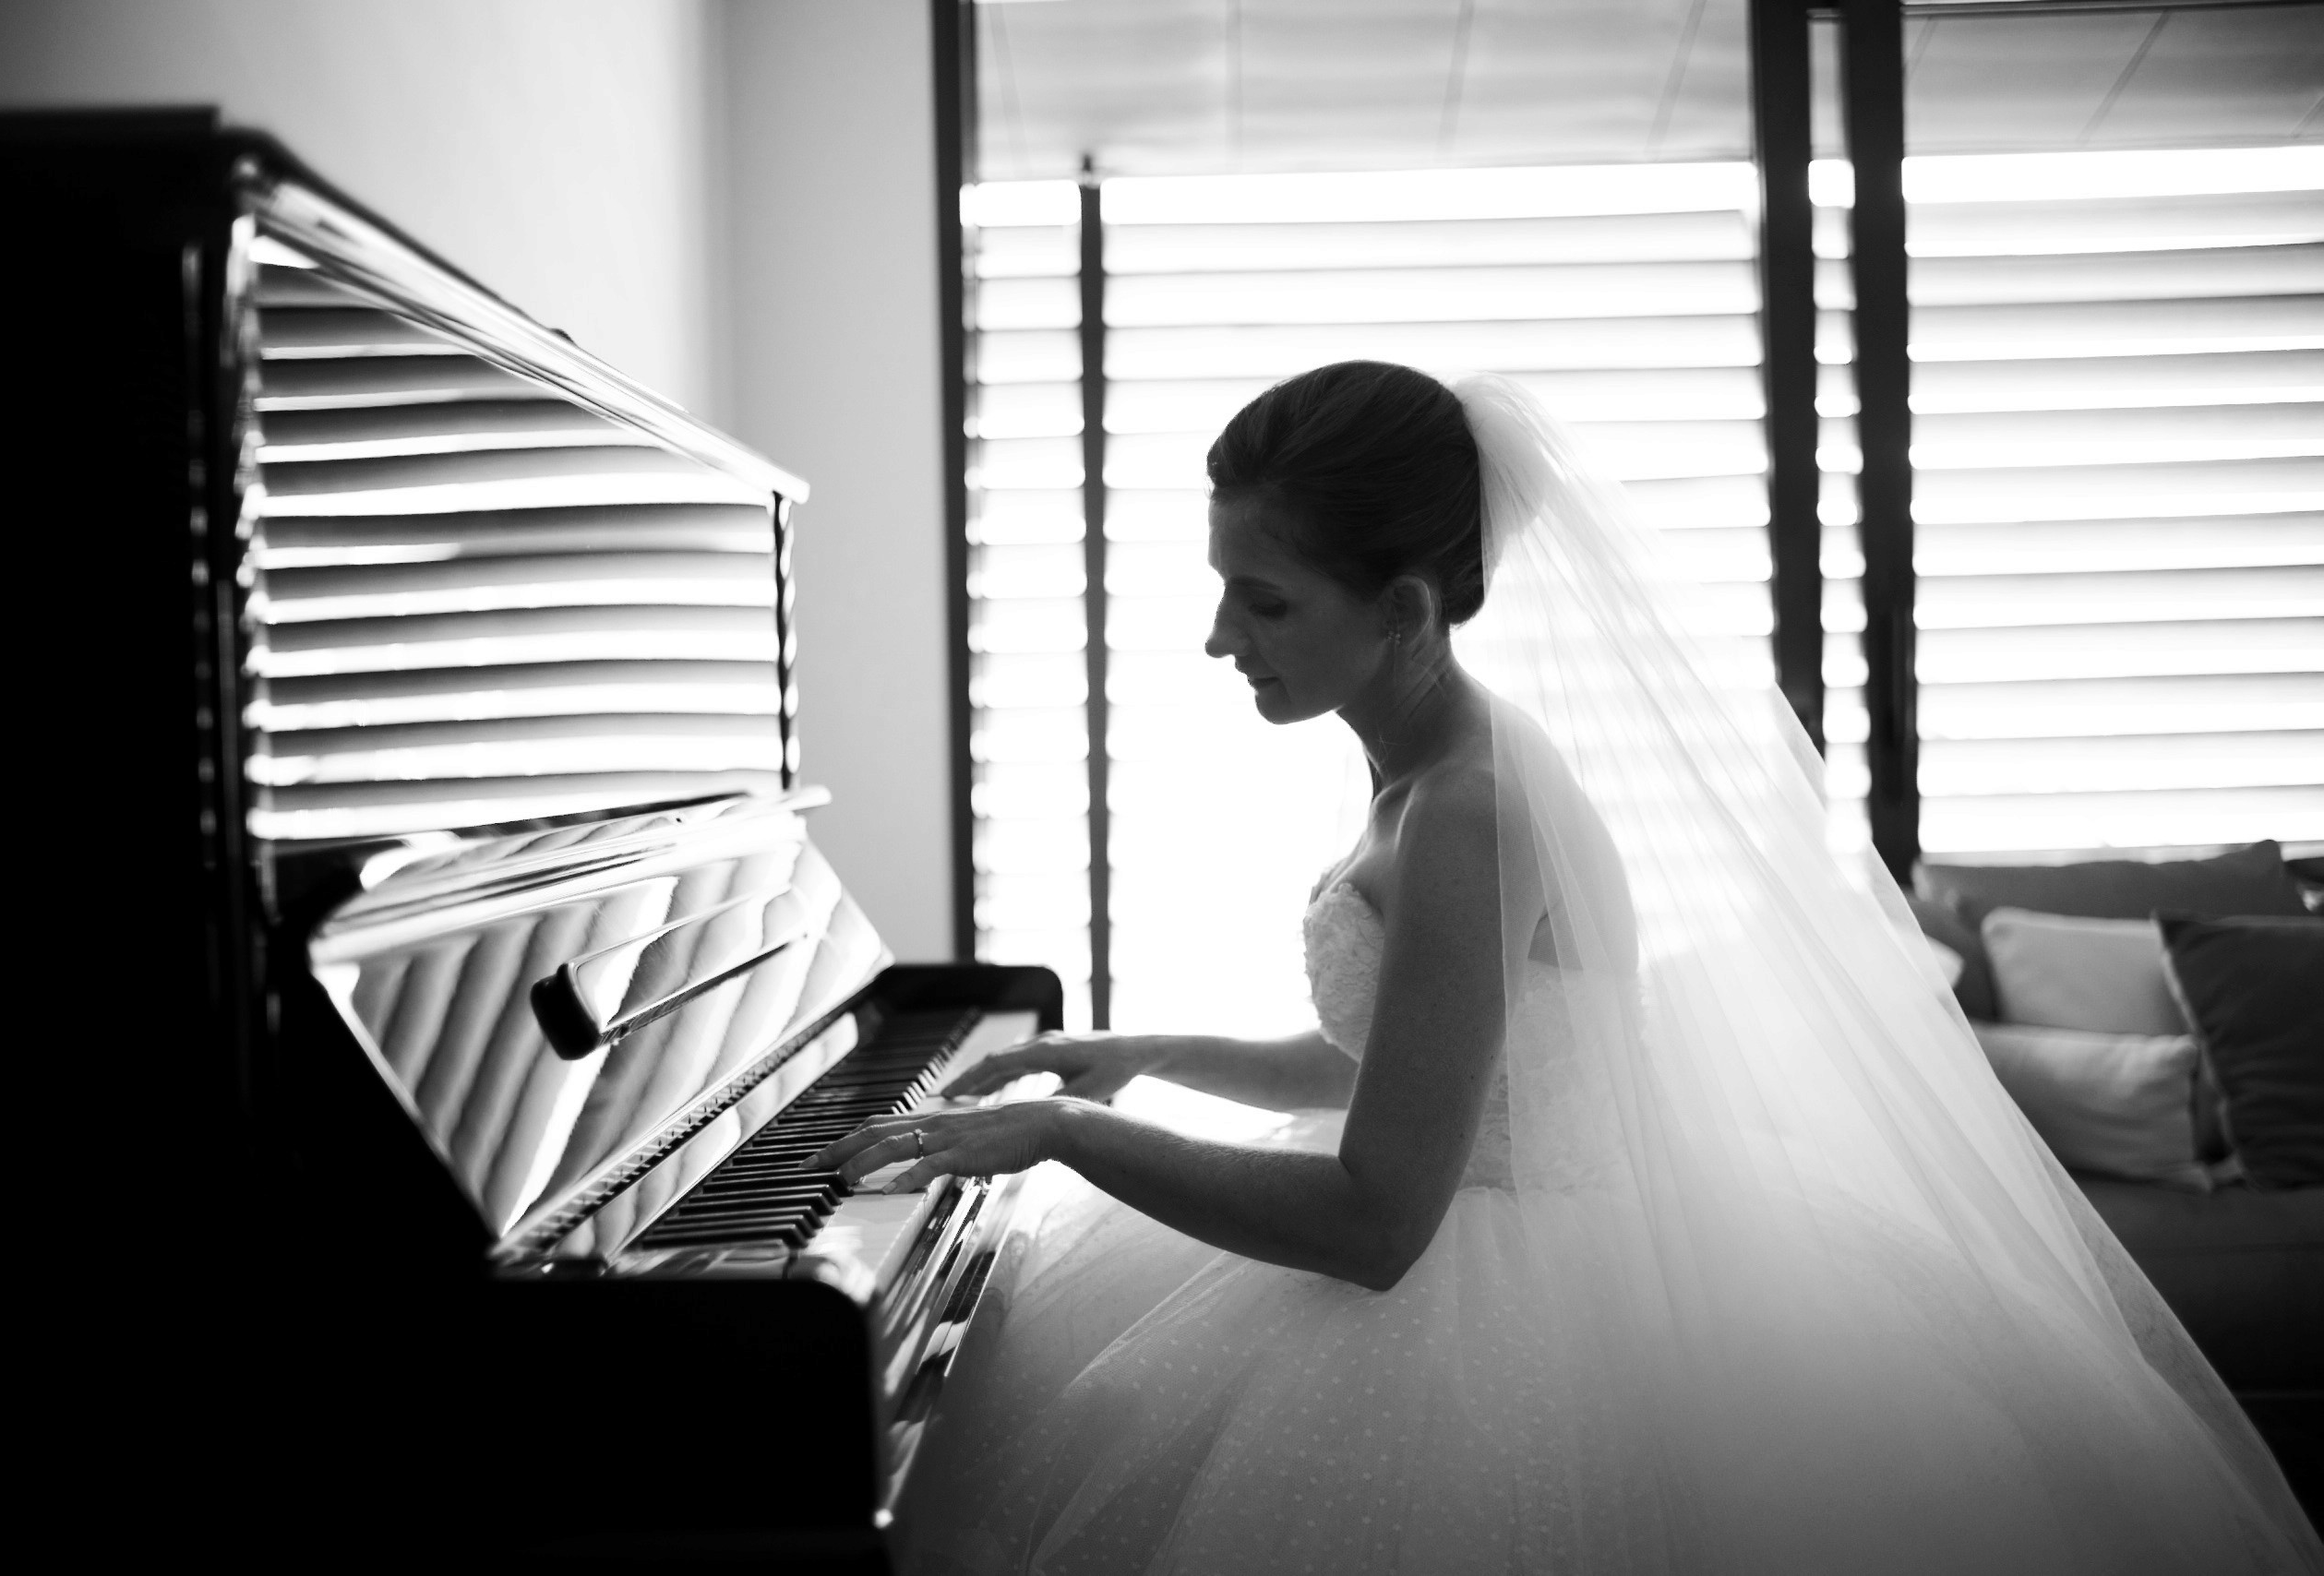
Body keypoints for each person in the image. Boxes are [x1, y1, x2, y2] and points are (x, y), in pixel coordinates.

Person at [811, 362, 2321, 1574]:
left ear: (1402, 609)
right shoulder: (1432, 762)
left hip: (1502, 1297)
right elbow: (1410, 1074)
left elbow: (1385, 1213)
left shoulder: (1464, 810)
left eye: (1265, 601)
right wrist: (1138, 1057)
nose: (1220, 638)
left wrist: (1069, 1139)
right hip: (1492, 1206)